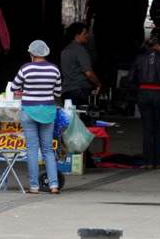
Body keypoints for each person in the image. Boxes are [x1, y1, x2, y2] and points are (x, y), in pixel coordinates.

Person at [10, 40, 61, 194]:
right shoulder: (54, 70)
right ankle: (53, 185)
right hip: (48, 112)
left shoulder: (26, 69)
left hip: (29, 111)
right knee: (48, 150)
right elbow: (58, 92)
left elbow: (13, 87)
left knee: (32, 149)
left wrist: (26, 91)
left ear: (32, 53)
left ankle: (34, 186)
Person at [128, 36, 160, 169]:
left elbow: (130, 78)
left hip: (143, 94)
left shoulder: (139, 58)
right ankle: (158, 161)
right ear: (158, 45)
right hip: (159, 94)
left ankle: (147, 161)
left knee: (147, 128)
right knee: (158, 128)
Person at [61, 23, 102, 106]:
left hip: (66, 92)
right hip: (80, 91)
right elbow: (89, 73)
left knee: (70, 117)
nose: (87, 35)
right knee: (83, 118)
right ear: (77, 36)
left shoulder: (65, 50)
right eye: (85, 33)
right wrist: (98, 84)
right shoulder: (80, 50)